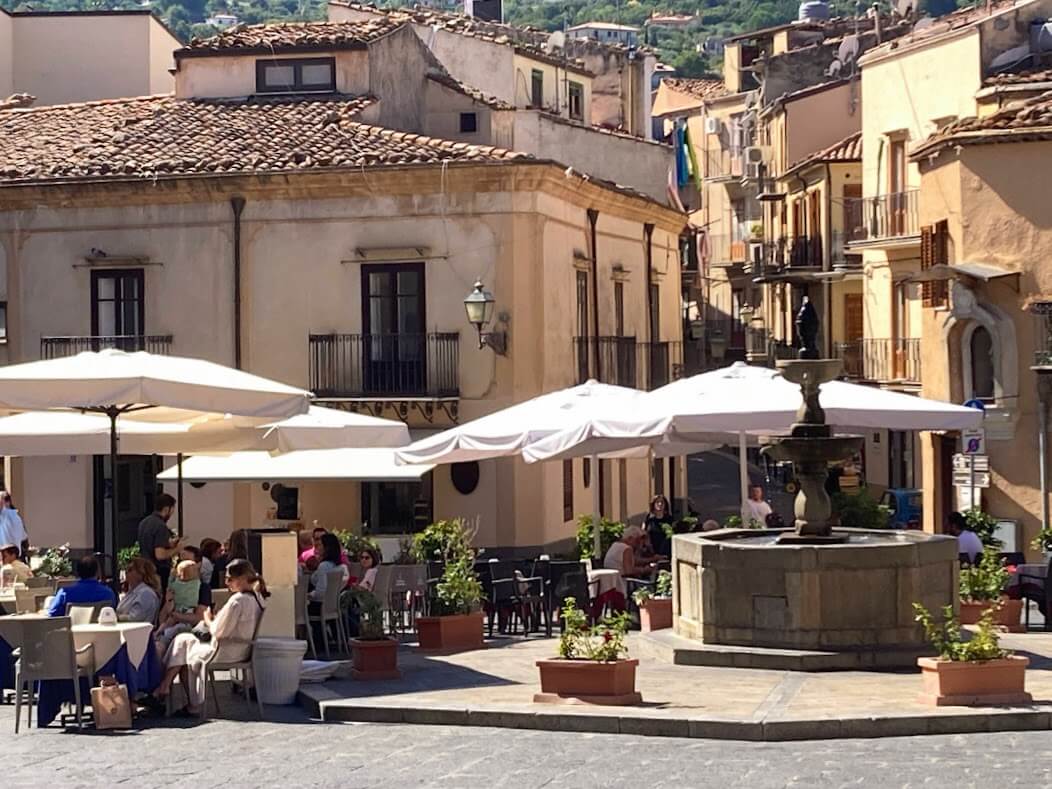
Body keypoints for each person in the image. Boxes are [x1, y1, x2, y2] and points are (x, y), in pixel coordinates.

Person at [154, 558, 268, 717]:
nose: (227, 582)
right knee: (183, 641)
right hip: (241, 649)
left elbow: (218, 631)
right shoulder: (257, 598)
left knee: (182, 643)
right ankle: (167, 687)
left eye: (230, 579)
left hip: (224, 650)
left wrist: (207, 618)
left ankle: (177, 695)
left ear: (241, 578)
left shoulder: (237, 601)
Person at [47, 554, 117, 616]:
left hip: (71, 629)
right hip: (99, 629)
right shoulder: (108, 594)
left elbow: (52, 614)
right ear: (97, 572)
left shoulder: (65, 594)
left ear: (77, 572)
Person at [137, 493, 180, 593]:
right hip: (157, 571)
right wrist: (177, 549)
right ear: (166, 509)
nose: (171, 514)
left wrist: (169, 545)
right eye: (172, 510)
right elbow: (160, 555)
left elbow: (150, 544)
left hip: (144, 568)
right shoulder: (160, 526)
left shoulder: (144, 522)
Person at [116, 557, 161, 623]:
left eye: (130, 570)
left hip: (136, 631)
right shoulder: (132, 592)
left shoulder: (146, 593)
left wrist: (116, 618)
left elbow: (135, 618)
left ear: (141, 573)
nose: (126, 572)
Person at [309, 533, 349, 604]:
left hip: (320, 605)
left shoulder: (324, 566)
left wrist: (310, 595)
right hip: (333, 604)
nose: (317, 547)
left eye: (320, 544)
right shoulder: (339, 566)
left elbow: (321, 591)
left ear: (327, 548)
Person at [0, 493, 28, 558]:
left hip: (8, 556)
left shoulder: (9, 517)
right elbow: (23, 537)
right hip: (13, 555)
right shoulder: (15, 516)